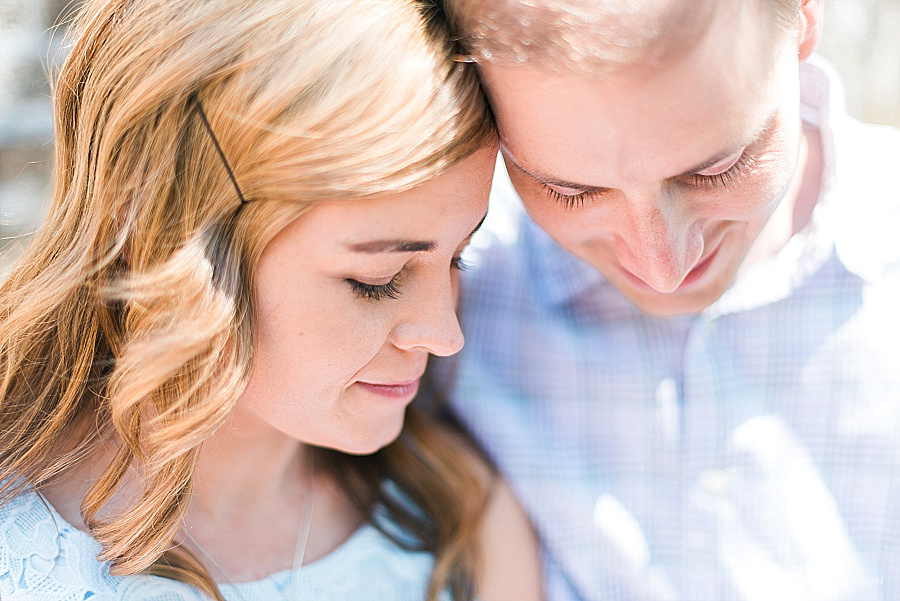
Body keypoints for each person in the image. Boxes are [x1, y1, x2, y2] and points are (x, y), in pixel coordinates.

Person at [0, 0, 543, 599]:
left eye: (458, 257)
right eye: (376, 279)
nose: (445, 334)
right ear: (158, 229)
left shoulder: (460, 521)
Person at [435, 0, 900, 599]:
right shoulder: (443, 291)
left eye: (716, 169)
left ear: (804, 17)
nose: (663, 268)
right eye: (569, 191)